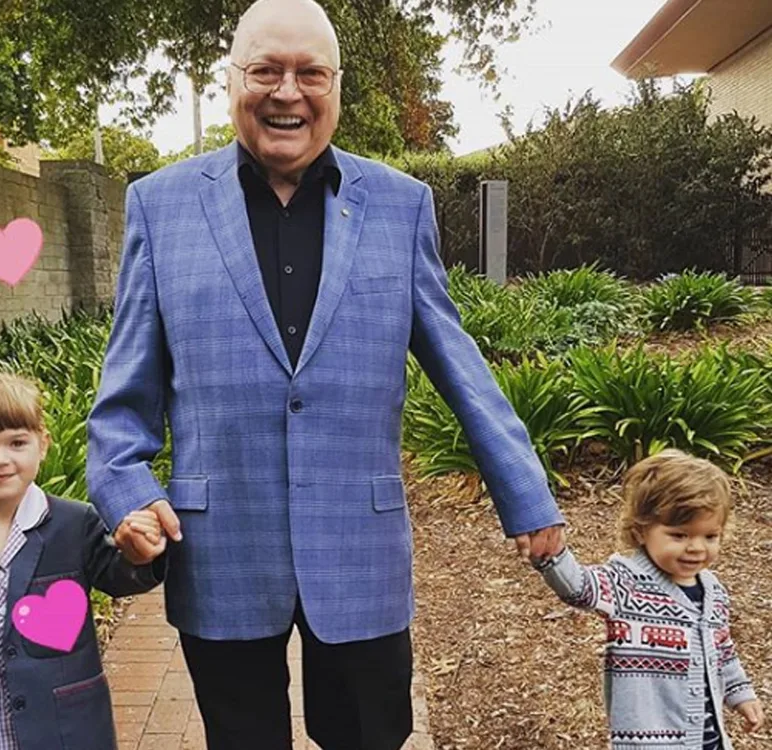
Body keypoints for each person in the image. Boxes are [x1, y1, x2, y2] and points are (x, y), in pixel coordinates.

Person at [86, 0, 565, 747]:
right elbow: (123, 403)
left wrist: (525, 493)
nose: (288, 92)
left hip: (359, 551)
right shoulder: (160, 205)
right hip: (221, 554)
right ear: (232, 79)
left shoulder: (401, 206)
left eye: (311, 73)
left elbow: (460, 364)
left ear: (336, 85)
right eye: (266, 71)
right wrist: (126, 492)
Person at [0, 371, 165, 750]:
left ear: (43, 444)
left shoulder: (75, 524)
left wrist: (138, 554)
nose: (0, 459)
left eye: (17, 443)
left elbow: (118, 575)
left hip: (67, 727)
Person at [533, 449, 765, 750]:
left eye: (710, 536)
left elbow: (722, 650)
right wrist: (552, 555)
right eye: (679, 535)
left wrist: (741, 694)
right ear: (641, 531)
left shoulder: (713, 591)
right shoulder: (625, 584)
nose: (697, 548)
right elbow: (579, 587)